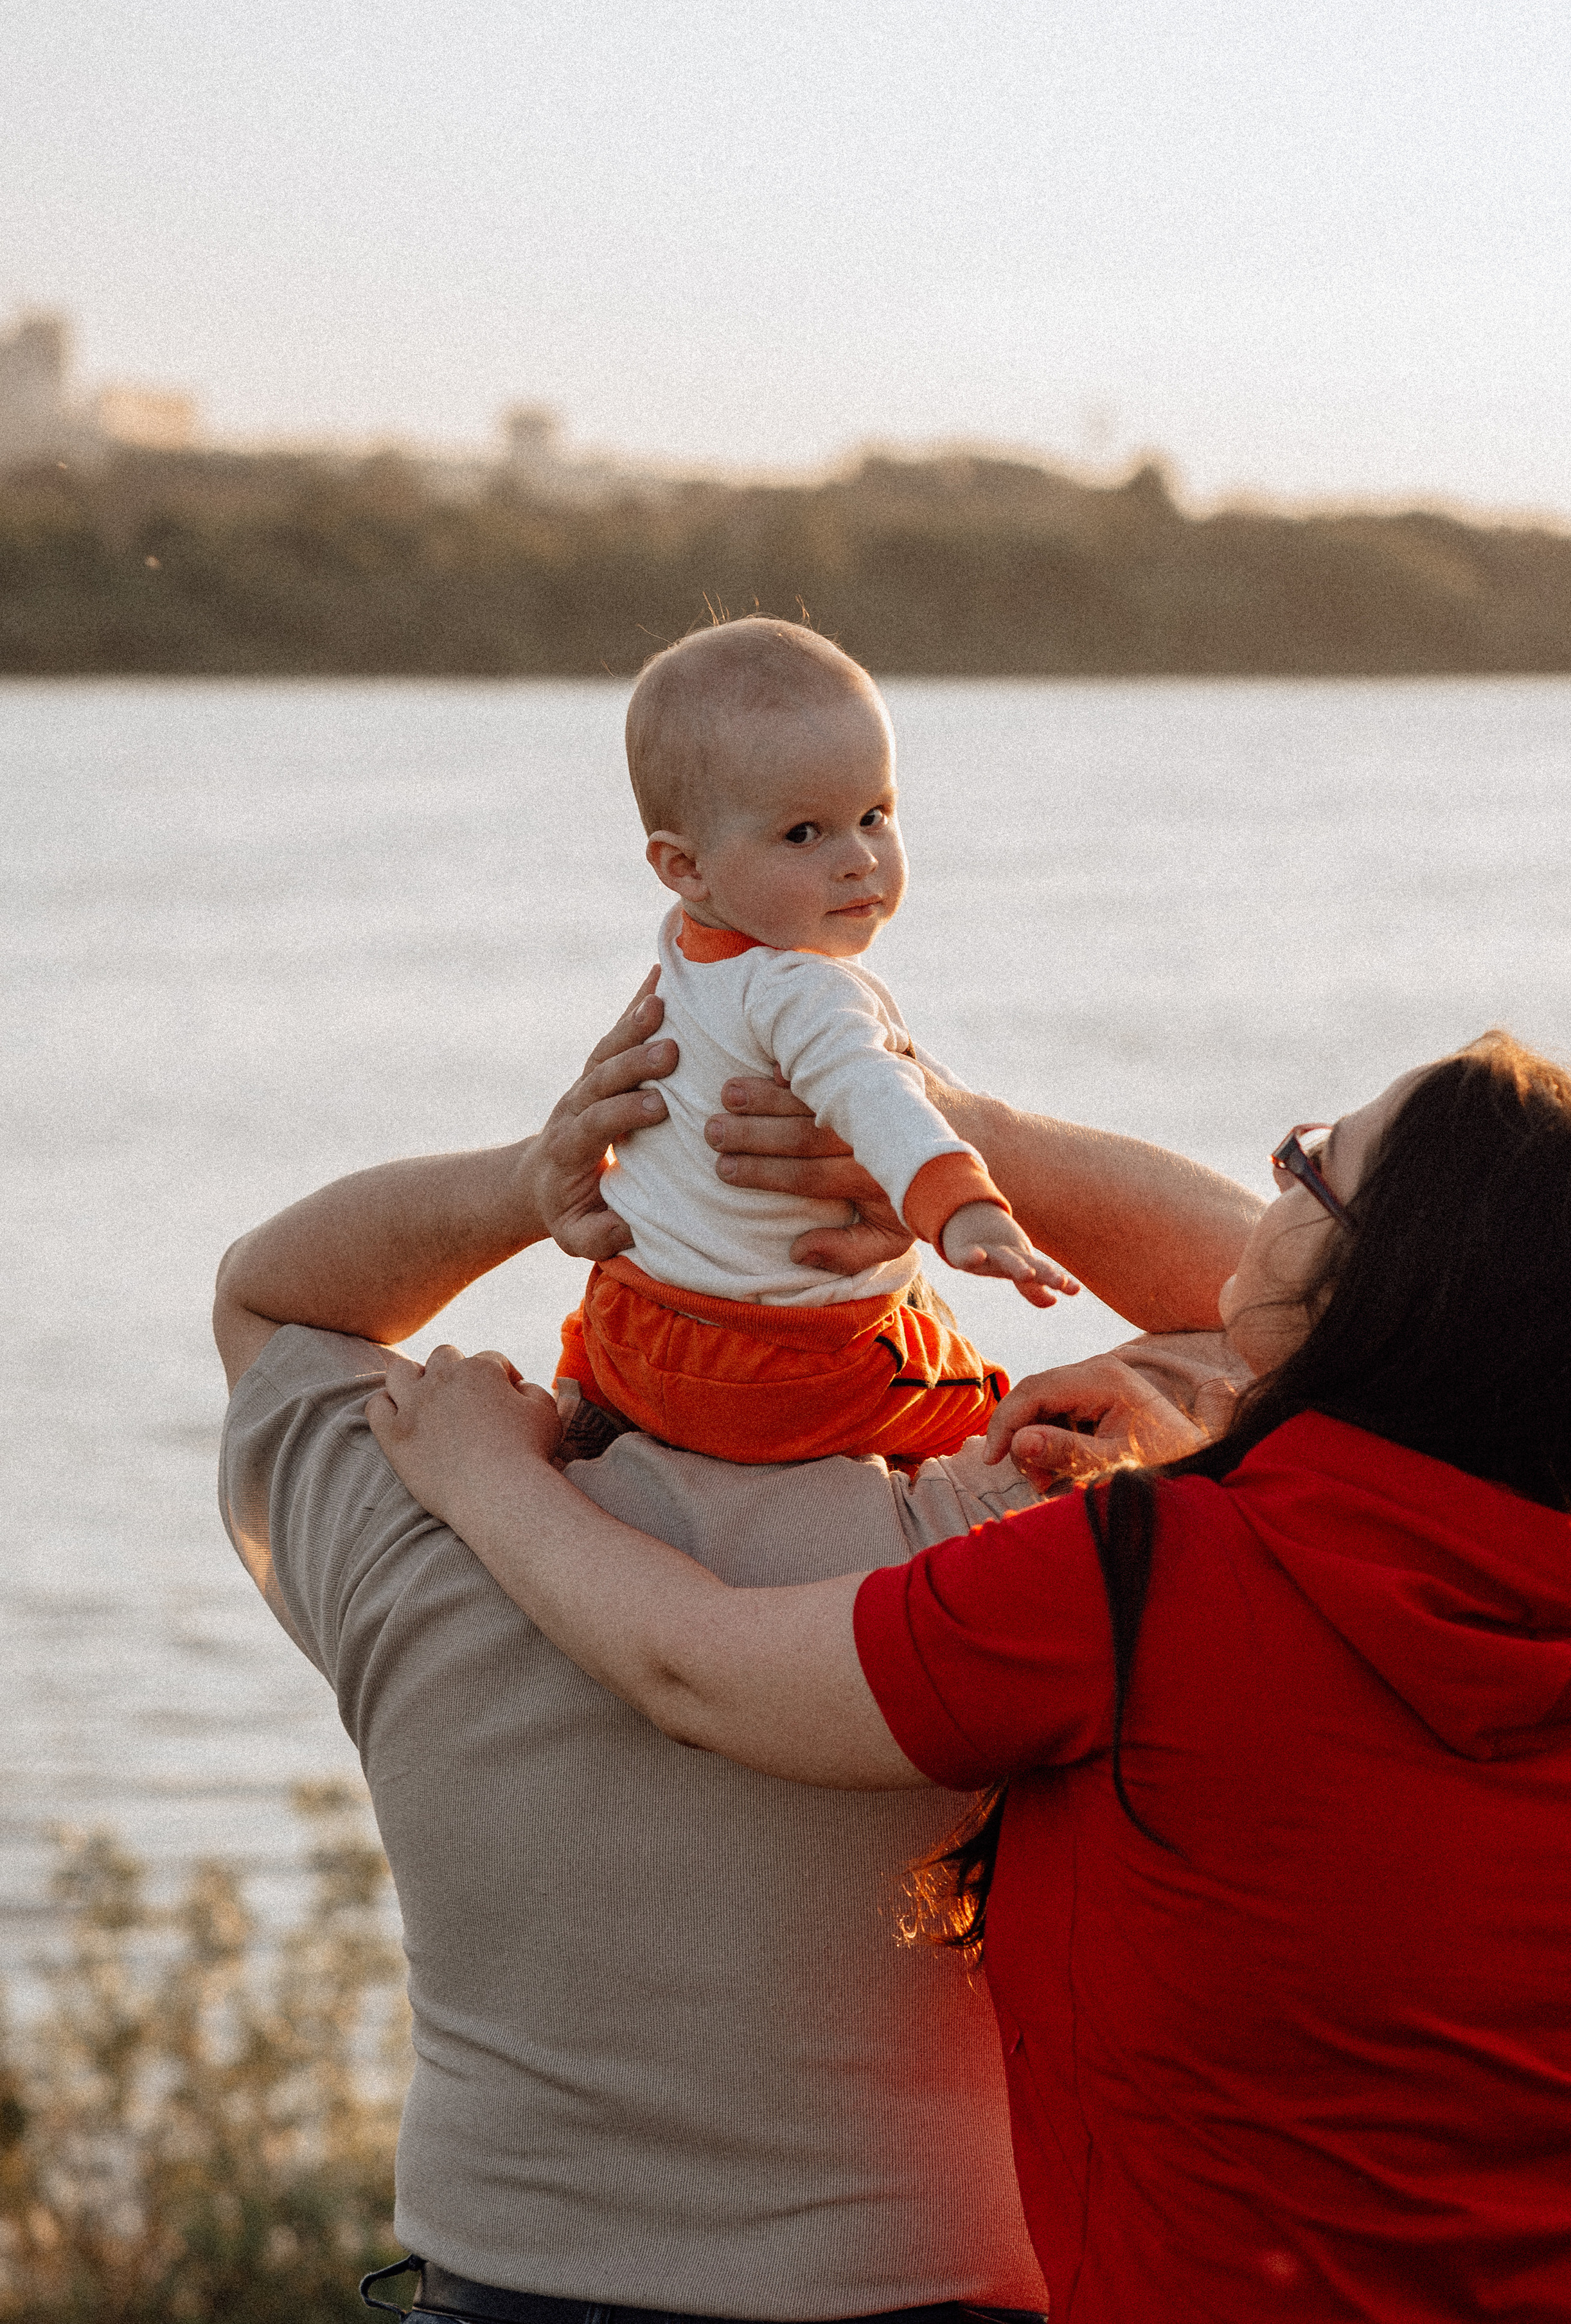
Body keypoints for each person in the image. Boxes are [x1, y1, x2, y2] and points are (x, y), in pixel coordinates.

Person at [366, 1033, 1571, 2324]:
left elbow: (694, 1669)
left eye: (1307, 1168)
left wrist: (485, 1477)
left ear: (1389, 1290)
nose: (1268, 1188)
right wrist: (933, 1135)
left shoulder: (1145, 1584)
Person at [214, 980, 1259, 2324]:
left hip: (496, 2295)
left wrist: (531, 1182)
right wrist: (944, 1131)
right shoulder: (993, 1542)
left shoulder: (424, 1520)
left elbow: (268, 1298)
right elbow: (1302, 1320)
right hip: (934, 2298)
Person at [556, 616, 1076, 1470]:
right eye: (805, 833)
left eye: (875, 814)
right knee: (980, 1400)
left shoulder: (685, 949)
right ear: (685, 866)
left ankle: (592, 1420)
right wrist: (962, 1206)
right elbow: (875, 1091)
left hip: (631, 1330)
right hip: (778, 1370)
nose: (859, 858)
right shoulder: (803, 989)